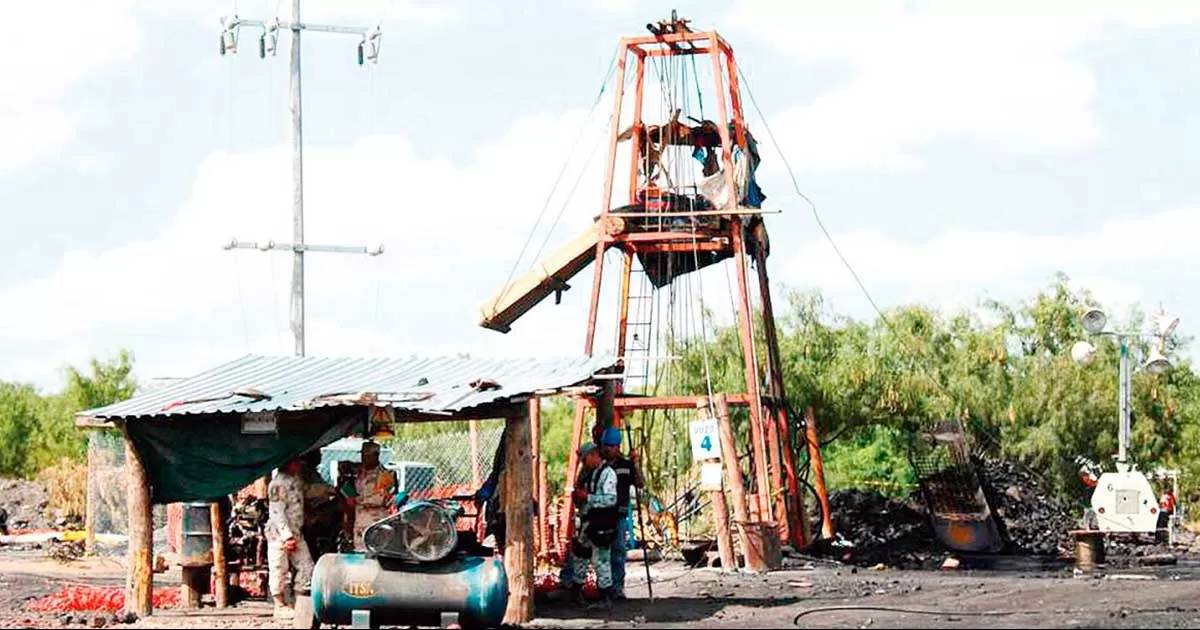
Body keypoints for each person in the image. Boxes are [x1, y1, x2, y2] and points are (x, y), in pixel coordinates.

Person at [565, 442, 619, 607]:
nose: (583, 463)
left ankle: (605, 597)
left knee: (601, 560)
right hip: (586, 523)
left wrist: (589, 497)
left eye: (585, 459)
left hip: (601, 523)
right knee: (580, 556)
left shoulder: (607, 473)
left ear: (593, 456)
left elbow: (611, 499)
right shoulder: (586, 474)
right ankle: (576, 591)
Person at [266, 457, 314, 619]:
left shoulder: (295, 481)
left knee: (306, 565)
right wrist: (287, 537)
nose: (298, 465)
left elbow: (308, 491)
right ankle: (279, 605)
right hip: (279, 535)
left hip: (296, 532)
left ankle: (299, 602)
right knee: (279, 568)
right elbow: (277, 513)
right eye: (295, 462)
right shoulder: (278, 484)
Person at [600, 427, 644, 600]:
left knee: (618, 551)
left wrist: (636, 464)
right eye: (606, 445)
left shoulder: (626, 465)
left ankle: (617, 587)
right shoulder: (599, 465)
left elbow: (640, 483)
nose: (608, 449)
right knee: (602, 553)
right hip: (601, 515)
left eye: (612, 446)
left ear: (618, 447)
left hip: (619, 515)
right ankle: (604, 587)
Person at [344, 440, 397, 550]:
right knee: (360, 552)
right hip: (360, 521)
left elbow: (380, 499)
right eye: (362, 455)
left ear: (376, 456)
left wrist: (356, 500)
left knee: (376, 552)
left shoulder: (385, 475)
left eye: (367, 456)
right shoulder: (361, 473)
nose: (363, 459)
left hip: (375, 521)